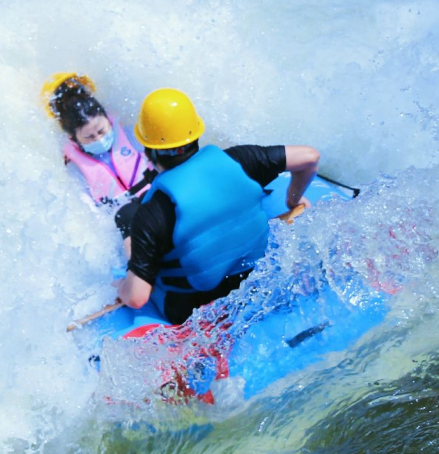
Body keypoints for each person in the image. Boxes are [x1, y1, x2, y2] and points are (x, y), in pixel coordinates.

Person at [114, 88, 320, 325]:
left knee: (127, 217)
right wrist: (293, 199)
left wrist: (123, 288)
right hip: (254, 279)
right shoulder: (242, 159)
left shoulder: (151, 213)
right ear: (196, 134)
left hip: (192, 308)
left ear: (148, 153)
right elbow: (309, 157)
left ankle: (134, 261)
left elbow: (137, 298)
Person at [41, 73, 157, 254]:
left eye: (102, 130)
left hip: (152, 198)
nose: (99, 138)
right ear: (74, 139)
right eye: (89, 137)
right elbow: (86, 204)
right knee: (127, 217)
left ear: (107, 119)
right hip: (124, 222)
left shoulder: (128, 132)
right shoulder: (74, 165)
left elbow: (156, 159)